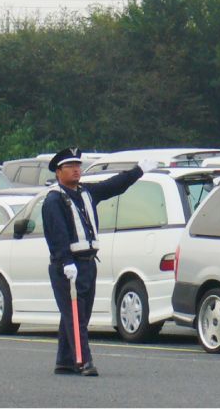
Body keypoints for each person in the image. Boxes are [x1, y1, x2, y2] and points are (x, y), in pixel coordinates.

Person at [42, 147, 157, 376]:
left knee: (78, 314)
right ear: (58, 172)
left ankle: (65, 360)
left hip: (88, 262)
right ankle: (83, 361)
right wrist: (65, 262)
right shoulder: (54, 200)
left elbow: (112, 186)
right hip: (68, 266)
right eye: (70, 167)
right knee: (75, 315)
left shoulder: (86, 192)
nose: (76, 170)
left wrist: (138, 171)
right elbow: (57, 235)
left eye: (78, 166)